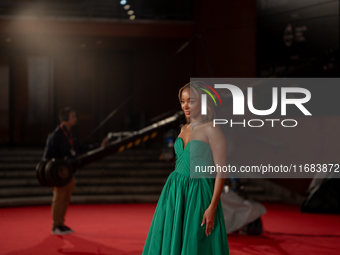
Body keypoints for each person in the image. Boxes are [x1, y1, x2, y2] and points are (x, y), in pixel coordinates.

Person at [142, 82, 229, 254]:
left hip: (199, 190)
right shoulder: (183, 128)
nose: (185, 105)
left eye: (191, 101)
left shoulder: (212, 129)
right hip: (175, 190)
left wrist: (212, 207)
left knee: (195, 241)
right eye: (183, 101)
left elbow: (222, 171)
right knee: (171, 238)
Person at [43, 107, 107, 235]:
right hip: (58, 173)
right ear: (65, 119)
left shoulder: (72, 135)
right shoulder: (55, 135)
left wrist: (99, 146)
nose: (76, 119)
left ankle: (61, 223)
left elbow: (83, 147)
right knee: (59, 197)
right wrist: (55, 168)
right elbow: (47, 156)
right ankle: (56, 225)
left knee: (66, 197)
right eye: (73, 117)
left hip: (69, 171)